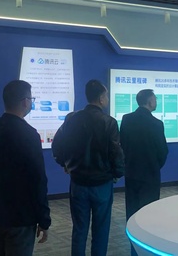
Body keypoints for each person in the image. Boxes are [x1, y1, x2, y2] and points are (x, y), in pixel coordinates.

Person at [0, 80, 51, 255]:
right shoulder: (30, 135)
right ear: (25, 102)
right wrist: (44, 219)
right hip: (21, 218)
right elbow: (38, 180)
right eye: (31, 99)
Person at [52, 79, 124, 256]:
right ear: (101, 98)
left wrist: (65, 163)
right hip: (102, 184)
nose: (107, 99)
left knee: (79, 229)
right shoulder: (109, 122)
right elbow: (115, 152)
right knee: (101, 230)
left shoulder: (71, 119)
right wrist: (117, 173)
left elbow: (57, 145)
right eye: (106, 96)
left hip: (78, 183)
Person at [119, 89, 168, 256]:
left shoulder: (126, 119)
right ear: (149, 101)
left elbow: (122, 145)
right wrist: (154, 166)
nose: (156, 101)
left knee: (132, 215)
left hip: (131, 174)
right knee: (149, 216)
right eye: (155, 99)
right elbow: (163, 152)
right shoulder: (156, 124)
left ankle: (134, 251)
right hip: (150, 175)